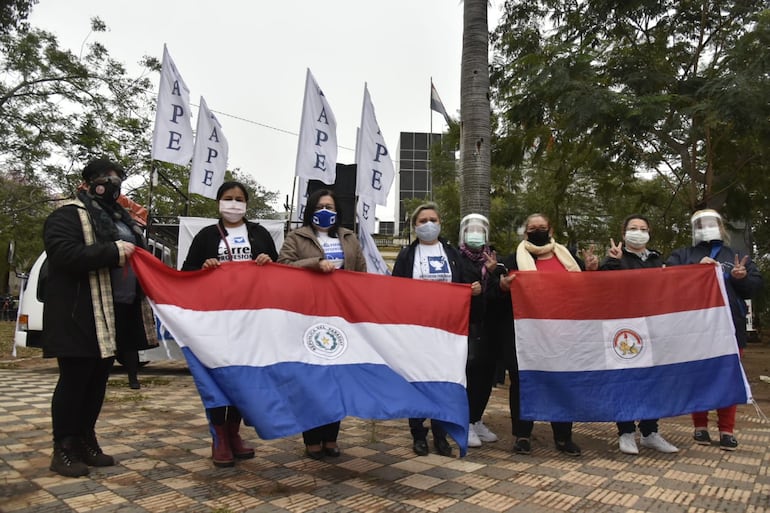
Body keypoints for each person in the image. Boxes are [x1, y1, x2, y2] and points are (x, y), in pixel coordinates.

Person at [43, 158, 158, 477]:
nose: (113, 183)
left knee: (97, 382)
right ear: (88, 182)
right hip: (80, 313)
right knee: (75, 380)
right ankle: (64, 448)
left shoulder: (121, 218)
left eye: (119, 178)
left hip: (116, 311)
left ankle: (86, 441)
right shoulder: (68, 214)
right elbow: (63, 254)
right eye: (107, 177)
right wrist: (113, 252)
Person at [182, 181, 278, 467]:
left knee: (242, 379)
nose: (234, 203)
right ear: (218, 203)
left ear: (247, 204)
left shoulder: (259, 234)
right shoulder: (206, 235)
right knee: (218, 378)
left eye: (239, 199)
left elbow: (277, 271)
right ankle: (219, 437)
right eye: (228, 198)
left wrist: (268, 261)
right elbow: (187, 272)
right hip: (217, 320)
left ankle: (234, 433)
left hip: (251, 320)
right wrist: (204, 268)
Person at [499, 213, 598, 457]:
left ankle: (563, 436)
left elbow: (584, 292)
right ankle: (522, 435)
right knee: (523, 384)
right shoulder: (512, 260)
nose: (538, 231)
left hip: (563, 334)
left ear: (550, 230)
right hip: (528, 335)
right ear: (525, 233)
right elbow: (497, 292)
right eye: (533, 228)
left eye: (542, 227)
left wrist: (591, 271)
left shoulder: (568, 258)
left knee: (562, 382)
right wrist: (502, 287)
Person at [278, 188, 366, 460]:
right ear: (310, 209)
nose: (325, 211)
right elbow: (282, 266)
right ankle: (312, 438)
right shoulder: (297, 236)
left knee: (336, 379)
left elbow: (361, 274)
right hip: (308, 316)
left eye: (330, 206)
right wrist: (314, 264)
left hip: (340, 317)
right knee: (311, 379)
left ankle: (331, 437)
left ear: (338, 211)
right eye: (319, 206)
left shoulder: (349, 238)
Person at [666, 209, 763, 451]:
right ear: (694, 229)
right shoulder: (684, 254)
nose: (706, 227)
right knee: (698, 376)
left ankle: (727, 430)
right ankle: (700, 426)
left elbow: (753, 288)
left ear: (721, 226)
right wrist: (694, 270)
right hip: (694, 328)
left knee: (727, 375)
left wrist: (741, 278)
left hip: (731, 326)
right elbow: (667, 279)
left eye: (711, 223)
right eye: (700, 224)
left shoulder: (737, 255)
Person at [599, 214, 679, 455]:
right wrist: (613, 262)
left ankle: (650, 432)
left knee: (652, 379)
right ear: (623, 233)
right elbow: (601, 285)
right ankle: (625, 432)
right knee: (625, 379)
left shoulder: (656, 259)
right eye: (633, 228)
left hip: (652, 328)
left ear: (649, 233)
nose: (638, 232)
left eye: (643, 228)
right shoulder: (616, 258)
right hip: (624, 330)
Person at [392, 202, 465, 457]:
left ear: (440, 223)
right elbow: (395, 292)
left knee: (442, 383)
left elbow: (465, 284)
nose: (428, 224)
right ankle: (418, 434)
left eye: (433, 219)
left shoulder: (452, 253)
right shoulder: (406, 255)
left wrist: (473, 289)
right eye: (422, 221)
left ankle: (441, 435)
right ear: (415, 226)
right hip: (416, 332)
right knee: (418, 382)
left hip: (445, 332)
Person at [457, 213, 506, 448]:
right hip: (465, 327)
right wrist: (469, 291)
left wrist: (493, 275)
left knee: (485, 377)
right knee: (467, 375)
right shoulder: (456, 259)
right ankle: (463, 422)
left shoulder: (495, 260)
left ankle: (476, 419)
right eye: (471, 229)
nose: (475, 234)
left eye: (480, 229)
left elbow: (498, 296)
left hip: (489, 328)